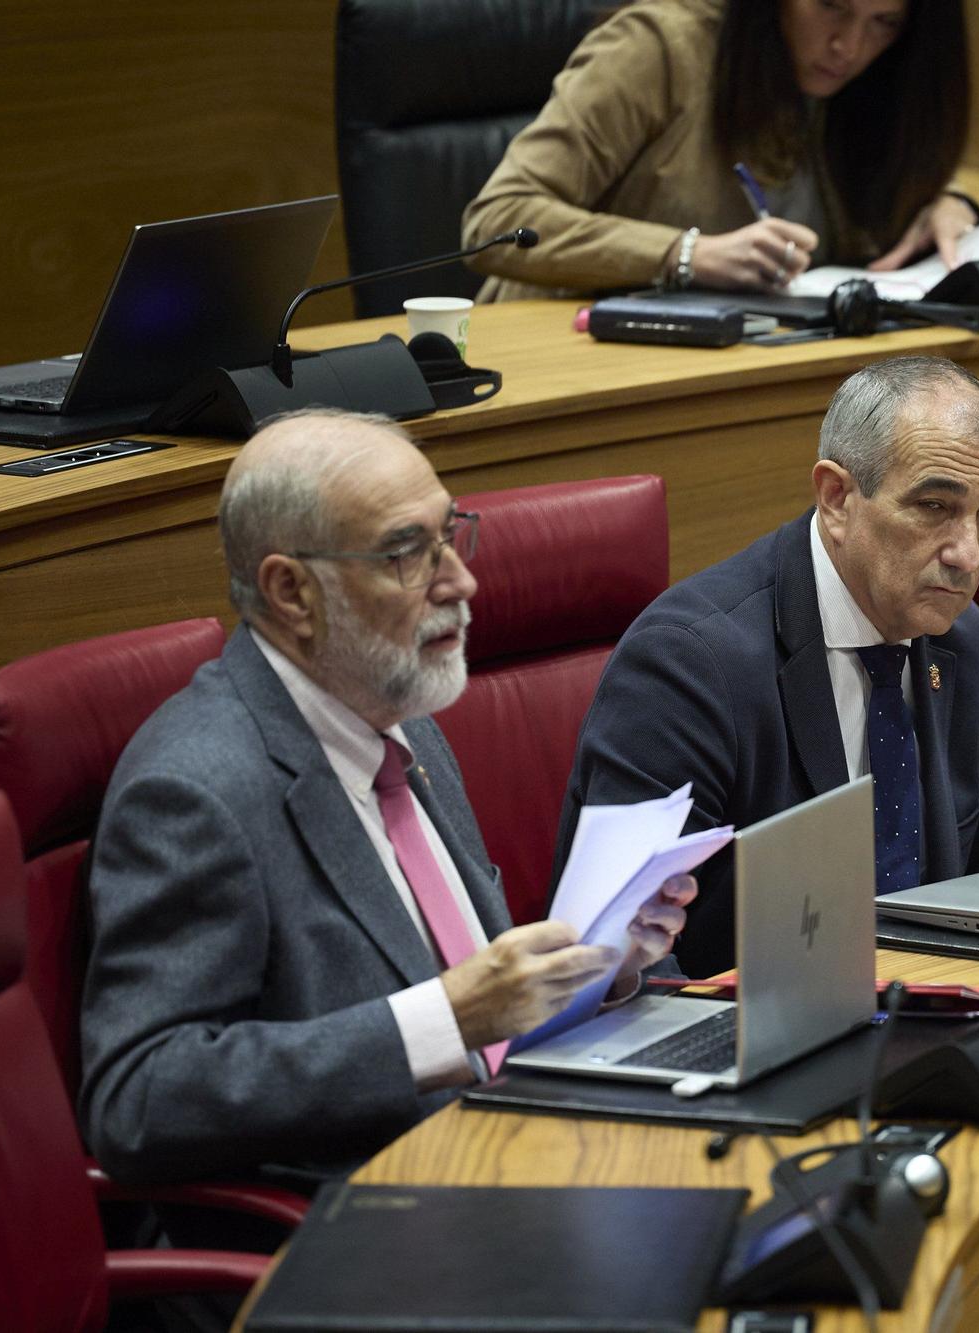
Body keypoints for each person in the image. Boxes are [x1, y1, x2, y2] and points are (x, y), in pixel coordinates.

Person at [78, 409, 695, 1186]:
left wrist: (599, 966)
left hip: (515, 1153)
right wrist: (446, 1019)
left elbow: (489, 1021)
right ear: (292, 590)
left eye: (449, 535)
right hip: (360, 1230)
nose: (461, 580)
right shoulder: (195, 790)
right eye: (407, 553)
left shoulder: (401, 720)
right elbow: (139, 1098)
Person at [559, 355, 979, 976]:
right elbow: (616, 959)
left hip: (924, 1015)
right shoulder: (689, 665)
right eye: (935, 506)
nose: (967, 553)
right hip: (741, 1041)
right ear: (836, 498)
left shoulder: (959, 639)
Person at [463, 0, 976, 300]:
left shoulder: (875, 84)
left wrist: (942, 204)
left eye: (883, 22)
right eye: (830, 5)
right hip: (575, 357)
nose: (850, 46)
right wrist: (684, 254)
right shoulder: (659, 47)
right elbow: (496, 221)